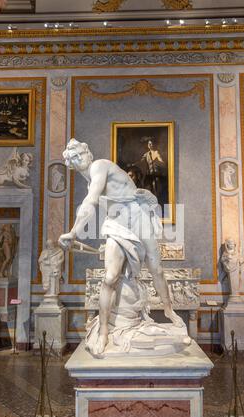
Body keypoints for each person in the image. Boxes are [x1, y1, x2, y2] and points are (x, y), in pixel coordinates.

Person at [59, 139, 187, 355]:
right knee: (110, 277)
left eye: (79, 155)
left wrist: (73, 232)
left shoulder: (99, 165)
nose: (77, 160)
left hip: (137, 216)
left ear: (87, 152)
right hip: (116, 223)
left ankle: (168, 310)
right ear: (70, 165)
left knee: (156, 269)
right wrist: (73, 232)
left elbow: (90, 202)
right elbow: (92, 201)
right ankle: (103, 332)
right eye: (72, 159)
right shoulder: (90, 181)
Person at [131, 137, 167, 207]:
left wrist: (158, 161)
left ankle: (158, 205)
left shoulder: (157, 152)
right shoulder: (147, 154)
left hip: (157, 176)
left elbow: (163, 163)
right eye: (149, 144)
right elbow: (140, 161)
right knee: (148, 189)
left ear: (154, 144)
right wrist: (133, 164)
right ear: (148, 145)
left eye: (151, 143)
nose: (150, 145)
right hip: (150, 176)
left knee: (157, 190)